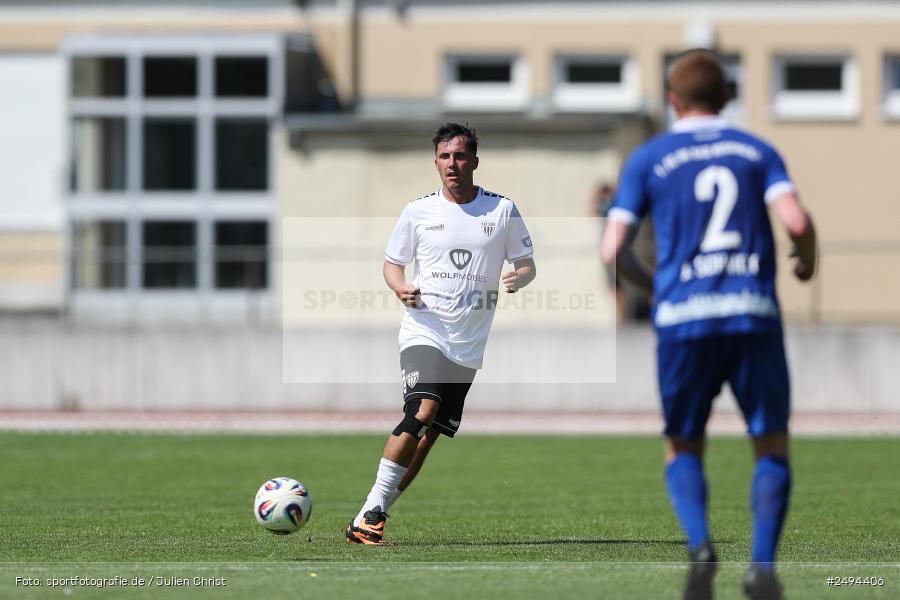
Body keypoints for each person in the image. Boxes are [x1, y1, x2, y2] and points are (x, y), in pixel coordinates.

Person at [601, 50, 817, 600]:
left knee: (683, 445)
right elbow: (795, 219)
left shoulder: (649, 157)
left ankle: (700, 546)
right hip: (751, 315)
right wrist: (806, 257)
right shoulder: (756, 150)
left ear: (672, 101)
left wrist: (653, 288)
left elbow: (613, 249)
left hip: (682, 320)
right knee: (769, 444)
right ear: (727, 96)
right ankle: (762, 568)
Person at [346, 122, 536, 545]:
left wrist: (519, 276)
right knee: (424, 410)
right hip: (424, 330)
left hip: (468, 346)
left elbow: (527, 262)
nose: (453, 164)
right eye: (445, 157)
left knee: (431, 437)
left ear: (474, 161)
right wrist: (400, 287)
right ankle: (371, 513)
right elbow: (392, 263)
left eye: (461, 156)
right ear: (435, 162)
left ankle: (371, 513)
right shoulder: (418, 211)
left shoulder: (502, 210)